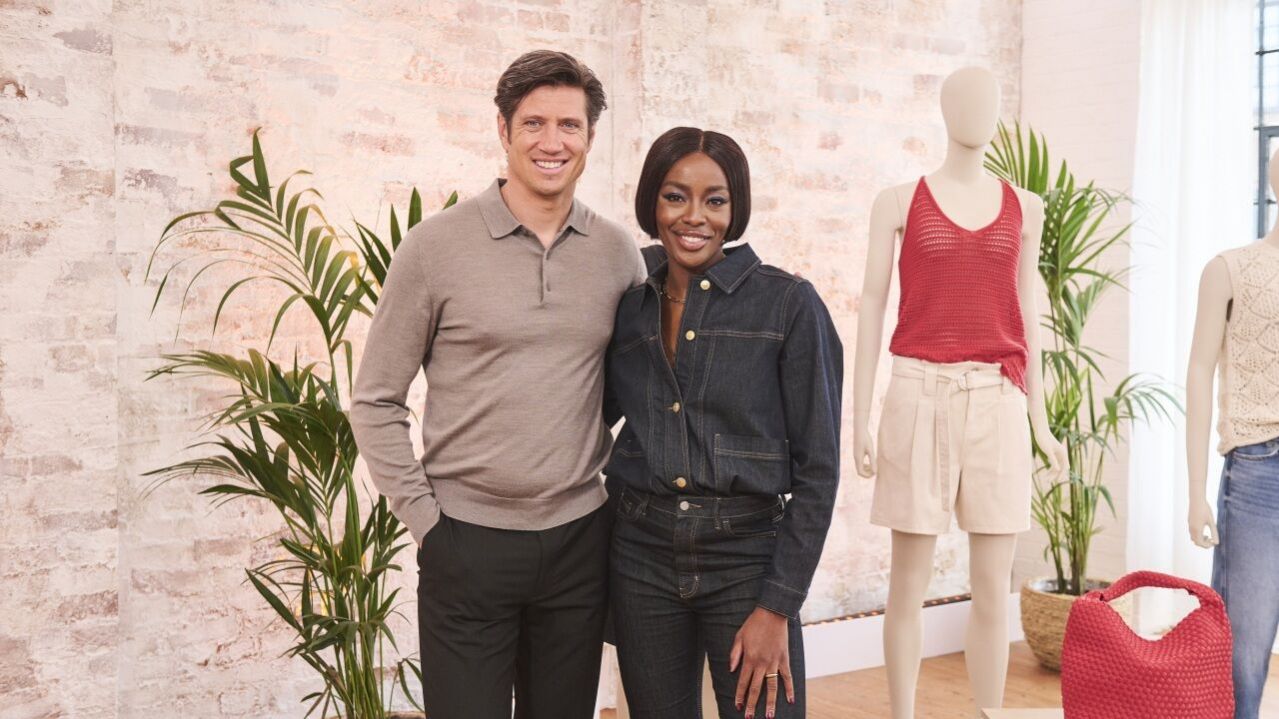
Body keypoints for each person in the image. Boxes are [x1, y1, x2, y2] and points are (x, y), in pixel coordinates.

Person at [349, 50, 644, 719]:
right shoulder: (434, 247)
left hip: (579, 540)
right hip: (465, 540)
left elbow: (632, 387)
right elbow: (375, 400)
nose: (552, 142)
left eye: (569, 125)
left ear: (590, 137)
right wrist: (428, 525)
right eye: (534, 123)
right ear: (503, 130)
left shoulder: (616, 254)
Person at [604, 126, 844, 719]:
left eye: (715, 200)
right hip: (640, 554)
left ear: (735, 210)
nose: (695, 216)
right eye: (675, 196)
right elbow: (587, 412)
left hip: (747, 560)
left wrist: (778, 605)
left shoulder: (788, 304)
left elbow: (819, 470)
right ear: (652, 203)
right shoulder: (627, 301)